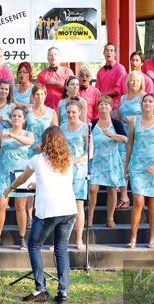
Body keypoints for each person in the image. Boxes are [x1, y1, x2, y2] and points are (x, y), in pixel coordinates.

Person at [3, 126, 76, 303]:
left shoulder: (37, 160)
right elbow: (59, 180)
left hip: (48, 211)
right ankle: (63, 293)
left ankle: (40, 288)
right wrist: (38, 185)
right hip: (68, 209)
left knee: (34, 245)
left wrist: (10, 188)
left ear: (45, 141)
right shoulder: (68, 158)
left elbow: (21, 179)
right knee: (61, 250)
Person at [0, 106, 35, 251]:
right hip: (5, 173)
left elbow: (29, 142)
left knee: (20, 206)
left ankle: (22, 239)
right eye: (14, 116)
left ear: (24, 119)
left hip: (22, 174)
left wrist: (14, 136)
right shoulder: (3, 132)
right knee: (0, 205)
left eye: (19, 116)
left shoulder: (28, 133)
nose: (16, 118)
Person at [125, 93, 154, 249]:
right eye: (145, 101)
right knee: (137, 201)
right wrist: (126, 165)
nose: (147, 103)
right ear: (141, 104)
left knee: (152, 203)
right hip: (137, 166)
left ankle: (152, 238)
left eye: (150, 101)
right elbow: (130, 143)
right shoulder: (134, 121)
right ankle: (133, 237)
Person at [89, 96, 127, 228]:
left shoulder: (116, 124)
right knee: (93, 189)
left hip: (112, 161)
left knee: (112, 190)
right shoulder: (92, 124)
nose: (104, 107)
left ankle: (110, 218)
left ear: (111, 108)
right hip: (96, 161)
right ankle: (90, 217)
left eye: (107, 105)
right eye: (101, 104)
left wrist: (111, 135)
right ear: (98, 107)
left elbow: (124, 139)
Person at [25, 83, 58, 229]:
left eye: (42, 94)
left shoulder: (51, 113)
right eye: (37, 94)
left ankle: (43, 214)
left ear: (46, 95)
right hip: (29, 152)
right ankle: (29, 216)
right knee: (29, 185)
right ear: (33, 95)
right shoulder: (28, 112)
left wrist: (44, 145)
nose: (39, 97)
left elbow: (55, 133)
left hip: (46, 153)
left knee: (44, 184)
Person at [61, 100, 90, 250]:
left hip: (79, 171)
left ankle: (79, 240)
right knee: (61, 205)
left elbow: (90, 152)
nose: (71, 115)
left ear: (79, 112)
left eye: (74, 112)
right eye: (68, 112)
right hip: (63, 170)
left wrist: (76, 161)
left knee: (78, 204)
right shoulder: (61, 128)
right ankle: (61, 241)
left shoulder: (86, 128)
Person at [117, 71, 146, 209]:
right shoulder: (123, 98)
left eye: (137, 81)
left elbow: (149, 116)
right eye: (132, 80)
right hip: (123, 137)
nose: (134, 83)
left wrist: (133, 118)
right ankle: (124, 196)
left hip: (139, 136)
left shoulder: (143, 96)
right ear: (128, 82)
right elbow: (117, 116)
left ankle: (140, 194)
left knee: (136, 165)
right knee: (124, 164)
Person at [95, 43, 127, 118]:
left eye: (111, 50)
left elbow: (117, 90)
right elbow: (97, 89)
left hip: (115, 107)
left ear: (115, 54)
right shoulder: (100, 71)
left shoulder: (120, 69)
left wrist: (100, 95)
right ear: (104, 53)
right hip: (102, 107)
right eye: (107, 50)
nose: (109, 52)